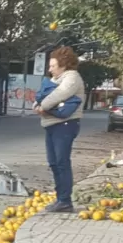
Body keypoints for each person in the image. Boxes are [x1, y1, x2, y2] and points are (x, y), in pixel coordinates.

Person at [33, 46, 85, 213]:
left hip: (65, 125)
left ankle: (65, 200)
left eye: (53, 66)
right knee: (54, 162)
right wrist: (38, 105)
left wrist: (42, 106)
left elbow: (57, 95)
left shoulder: (72, 78)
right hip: (51, 124)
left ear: (63, 65)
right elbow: (42, 95)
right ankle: (60, 198)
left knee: (62, 162)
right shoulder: (55, 80)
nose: (50, 69)